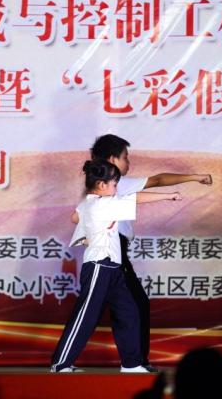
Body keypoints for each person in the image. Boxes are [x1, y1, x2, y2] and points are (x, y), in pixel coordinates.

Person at [78, 133, 212, 369]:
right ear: (112, 159)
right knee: (121, 307)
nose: (128, 163)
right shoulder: (117, 184)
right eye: (125, 157)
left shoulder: (100, 186)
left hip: (111, 250)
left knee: (125, 306)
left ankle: (133, 362)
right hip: (113, 250)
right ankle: (133, 362)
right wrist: (195, 177)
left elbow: (77, 217)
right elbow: (158, 180)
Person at [51, 159, 181, 373]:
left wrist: (90, 225)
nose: (117, 188)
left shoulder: (91, 204)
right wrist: (168, 195)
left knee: (128, 312)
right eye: (114, 183)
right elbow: (136, 198)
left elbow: (74, 217)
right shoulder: (102, 204)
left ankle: (131, 363)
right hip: (98, 266)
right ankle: (60, 363)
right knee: (86, 315)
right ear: (101, 185)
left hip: (113, 267)